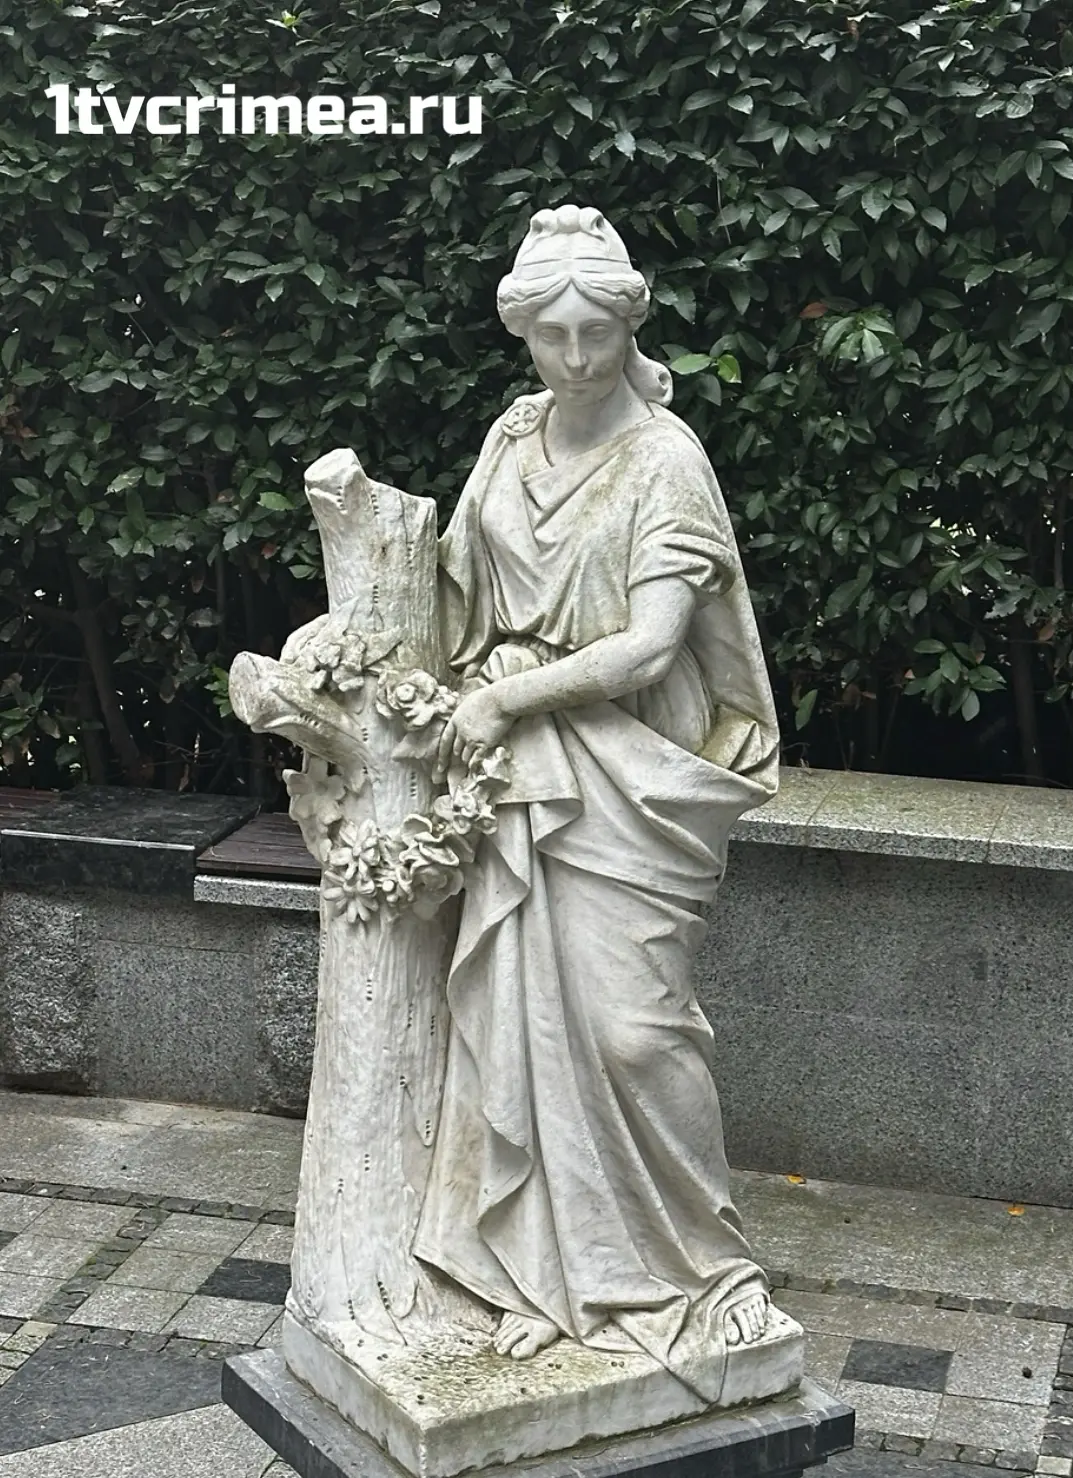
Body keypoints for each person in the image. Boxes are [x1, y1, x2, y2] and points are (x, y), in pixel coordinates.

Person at [412, 204, 782, 1404]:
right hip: (519, 773)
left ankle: (706, 1273)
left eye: (597, 334)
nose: (575, 358)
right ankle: (556, 1278)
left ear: (631, 326)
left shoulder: (666, 459)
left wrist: (507, 698)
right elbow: (453, 586)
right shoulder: (511, 435)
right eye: (552, 336)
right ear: (523, 333)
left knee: (633, 1028)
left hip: (630, 775)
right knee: (527, 1025)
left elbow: (651, 644)